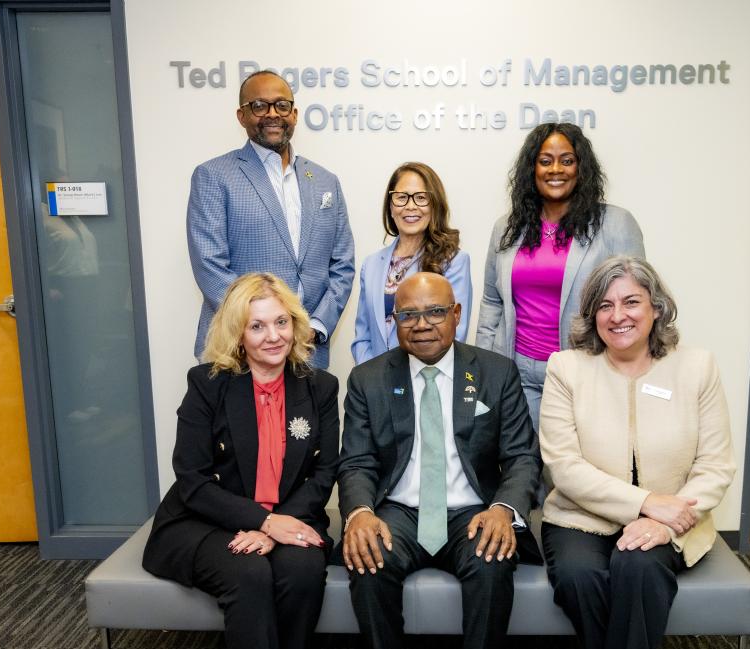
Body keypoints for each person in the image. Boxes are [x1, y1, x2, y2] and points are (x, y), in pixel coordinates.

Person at [539, 256, 735, 649]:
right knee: (579, 581)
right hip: (579, 518)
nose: (618, 316)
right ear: (591, 316)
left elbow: (715, 464)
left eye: (631, 302)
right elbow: (565, 466)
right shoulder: (566, 368)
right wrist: (648, 502)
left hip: (674, 518)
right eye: (604, 305)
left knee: (638, 570)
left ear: (656, 309)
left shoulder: (697, 367)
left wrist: (669, 520)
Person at [339, 273, 541, 649]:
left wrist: (503, 508)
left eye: (434, 313)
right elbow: (357, 462)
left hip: (473, 510)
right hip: (401, 511)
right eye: (409, 315)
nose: (422, 325)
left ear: (456, 314)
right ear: (394, 322)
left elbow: (521, 457)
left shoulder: (495, 373)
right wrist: (360, 513)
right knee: (368, 560)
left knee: (494, 558)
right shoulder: (367, 379)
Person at [142, 272, 339, 649]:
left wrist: (276, 527)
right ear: (237, 333)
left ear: (295, 325)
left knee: (303, 570)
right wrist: (261, 521)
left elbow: (323, 476)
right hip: (204, 520)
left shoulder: (319, 387)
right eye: (257, 326)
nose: (272, 336)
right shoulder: (208, 384)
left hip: (288, 518)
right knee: (249, 575)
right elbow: (191, 478)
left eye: (281, 322)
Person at [476, 122, 645, 432]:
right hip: (515, 372)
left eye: (567, 160)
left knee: (572, 472)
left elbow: (637, 306)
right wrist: (486, 368)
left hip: (583, 372)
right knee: (522, 467)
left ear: (581, 168)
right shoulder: (506, 228)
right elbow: (491, 301)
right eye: (545, 161)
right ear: (532, 168)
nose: (556, 169)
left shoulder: (615, 224)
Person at [186, 69, 355, 367]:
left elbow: (342, 266)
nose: (273, 114)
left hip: (307, 352)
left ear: (295, 113)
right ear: (241, 116)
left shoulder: (327, 181)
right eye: (260, 106)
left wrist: (315, 326)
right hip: (237, 352)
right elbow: (209, 265)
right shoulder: (214, 176)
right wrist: (265, 329)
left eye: (281, 105)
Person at [351, 162, 471, 363]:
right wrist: (372, 377)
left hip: (426, 378)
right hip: (375, 381)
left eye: (421, 198)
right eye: (401, 197)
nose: (411, 206)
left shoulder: (454, 261)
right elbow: (363, 336)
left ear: (434, 206)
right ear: (390, 206)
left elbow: (453, 334)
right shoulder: (371, 264)